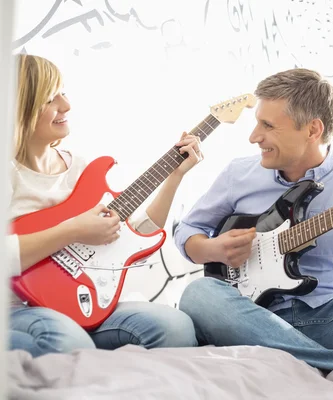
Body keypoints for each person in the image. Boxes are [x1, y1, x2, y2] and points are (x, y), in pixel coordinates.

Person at [174, 68, 333, 399]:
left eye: (267, 126)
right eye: (258, 123)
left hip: (328, 319)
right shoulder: (240, 174)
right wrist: (215, 250)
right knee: (199, 293)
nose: (254, 137)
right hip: (252, 316)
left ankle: (311, 359)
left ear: (312, 129)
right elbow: (188, 231)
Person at [7, 54, 200, 357]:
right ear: (18, 108)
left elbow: (137, 229)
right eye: (50, 98)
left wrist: (175, 176)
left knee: (175, 326)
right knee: (69, 344)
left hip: (87, 303)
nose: (66, 106)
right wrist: (72, 230)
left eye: (63, 92)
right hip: (19, 308)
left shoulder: (81, 168)